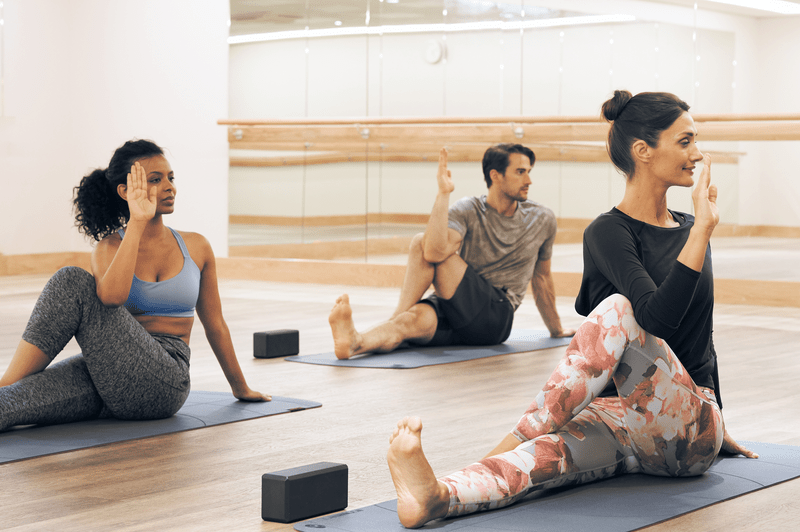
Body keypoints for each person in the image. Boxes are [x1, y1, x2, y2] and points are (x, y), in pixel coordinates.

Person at [385, 90, 758, 529]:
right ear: (643, 151)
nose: (697, 154)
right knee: (545, 457)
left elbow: (686, 332)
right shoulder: (606, 233)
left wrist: (714, 415)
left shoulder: (695, 228)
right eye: (684, 141)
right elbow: (611, 338)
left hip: (689, 432)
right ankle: (438, 496)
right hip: (622, 423)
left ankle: (505, 442)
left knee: (620, 309)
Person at [0, 139, 269, 432]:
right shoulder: (109, 248)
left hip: (165, 382)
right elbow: (111, 297)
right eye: (155, 180)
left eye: (170, 177)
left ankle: (5, 380)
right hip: (110, 378)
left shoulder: (197, 246)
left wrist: (240, 388)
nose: (169, 187)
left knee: (71, 280)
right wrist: (136, 224)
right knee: (8, 404)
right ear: (125, 192)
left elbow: (215, 324)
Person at [329, 143, 575, 360]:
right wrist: (443, 194)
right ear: (495, 175)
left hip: (495, 315)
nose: (529, 180)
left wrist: (556, 329)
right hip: (454, 306)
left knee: (420, 243)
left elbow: (541, 277)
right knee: (408, 323)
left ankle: (394, 316)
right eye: (520, 172)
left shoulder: (542, 219)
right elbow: (434, 251)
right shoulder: (469, 209)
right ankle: (355, 342)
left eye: (529, 172)